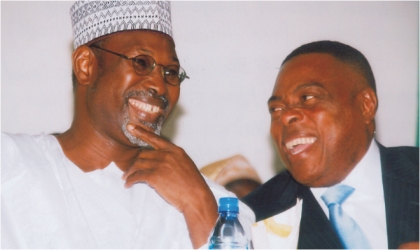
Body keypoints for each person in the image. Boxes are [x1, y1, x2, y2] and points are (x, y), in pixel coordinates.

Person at [1, 1, 254, 248]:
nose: (159, 84)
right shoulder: (12, 166)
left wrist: (198, 205)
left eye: (171, 72)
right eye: (141, 62)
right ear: (85, 65)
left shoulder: (219, 205)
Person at [242, 40, 419, 249]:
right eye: (276, 109)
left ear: (366, 106)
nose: (286, 116)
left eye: (307, 97)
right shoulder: (253, 218)